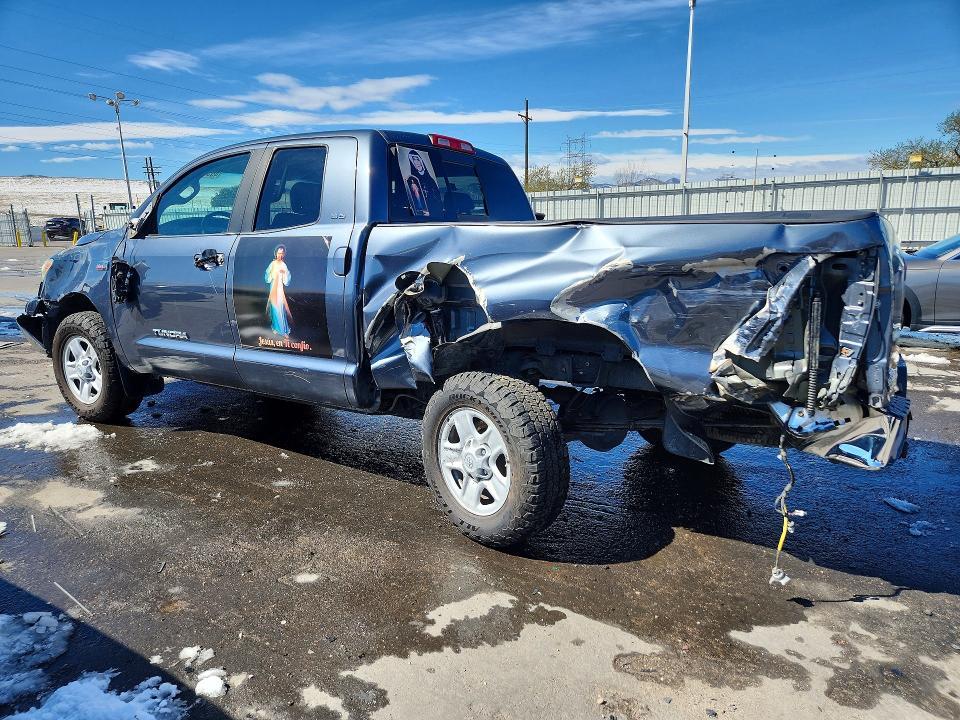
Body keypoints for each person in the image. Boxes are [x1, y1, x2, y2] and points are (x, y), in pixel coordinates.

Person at [264, 244, 292, 336]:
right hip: (273, 290)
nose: (280, 255)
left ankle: (283, 330)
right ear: (275, 253)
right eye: (278, 253)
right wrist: (273, 274)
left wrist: (284, 273)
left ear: (283, 254)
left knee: (280, 309)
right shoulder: (272, 264)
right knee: (274, 309)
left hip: (280, 291)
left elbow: (286, 281)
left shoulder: (284, 265)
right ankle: (275, 327)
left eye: (281, 253)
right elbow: (267, 277)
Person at [407, 150, 443, 216]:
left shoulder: (431, 179)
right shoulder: (412, 180)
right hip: (421, 216)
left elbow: (438, 198)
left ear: (421, 161)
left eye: (417, 159)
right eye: (413, 160)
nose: (416, 163)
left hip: (437, 215)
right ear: (412, 164)